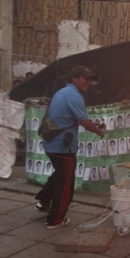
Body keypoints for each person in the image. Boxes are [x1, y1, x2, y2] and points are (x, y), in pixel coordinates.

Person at [34, 66, 105, 228]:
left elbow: (71, 119)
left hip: (52, 144)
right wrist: (99, 131)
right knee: (65, 184)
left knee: (59, 175)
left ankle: (43, 202)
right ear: (74, 78)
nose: (88, 82)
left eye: (90, 79)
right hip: (62, 147)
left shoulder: (62, 92)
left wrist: (92, 124)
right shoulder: (74, 96)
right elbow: (84, 123)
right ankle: (55, 219)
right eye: (84, 78)